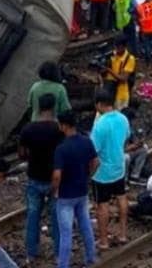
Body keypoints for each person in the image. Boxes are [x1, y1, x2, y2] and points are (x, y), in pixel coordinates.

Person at [18, 95, 63, 264]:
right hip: (55, 179)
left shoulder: (28, 129)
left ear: (38, 107)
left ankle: (31, 253)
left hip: (34, 178)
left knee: (32, 216)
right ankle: (59, 254)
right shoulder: (59, 129)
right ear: (53, 107)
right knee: (56, 218)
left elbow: (21, 154)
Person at [52, 111, 98, 268]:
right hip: (82, 191)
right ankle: (91, 257)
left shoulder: (61, 149)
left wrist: (55, 190)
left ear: (63, 126)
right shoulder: (86, 141)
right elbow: (95, 162)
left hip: (65, 195)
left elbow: (57, 175)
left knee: (66, 233)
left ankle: (63, 265)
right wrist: (88, 176)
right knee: (85, 225)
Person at [90, 90, 131, 249]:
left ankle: (104, 240)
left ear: (99, 104)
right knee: (122, 198)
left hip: (102, 173)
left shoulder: (100, 125)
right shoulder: (123, 118)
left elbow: (93, 151)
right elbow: (126, 138)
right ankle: (122, 234)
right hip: (119, 166)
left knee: (103, 205)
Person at [103, 36, 137, 110]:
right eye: (116, 47)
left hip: (122, 93)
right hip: (110, 89)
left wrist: (109, 70)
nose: (117, 49)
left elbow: (123, 78)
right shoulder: (112, 55)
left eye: (119, 47)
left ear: (124, 47)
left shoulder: (129, 59)